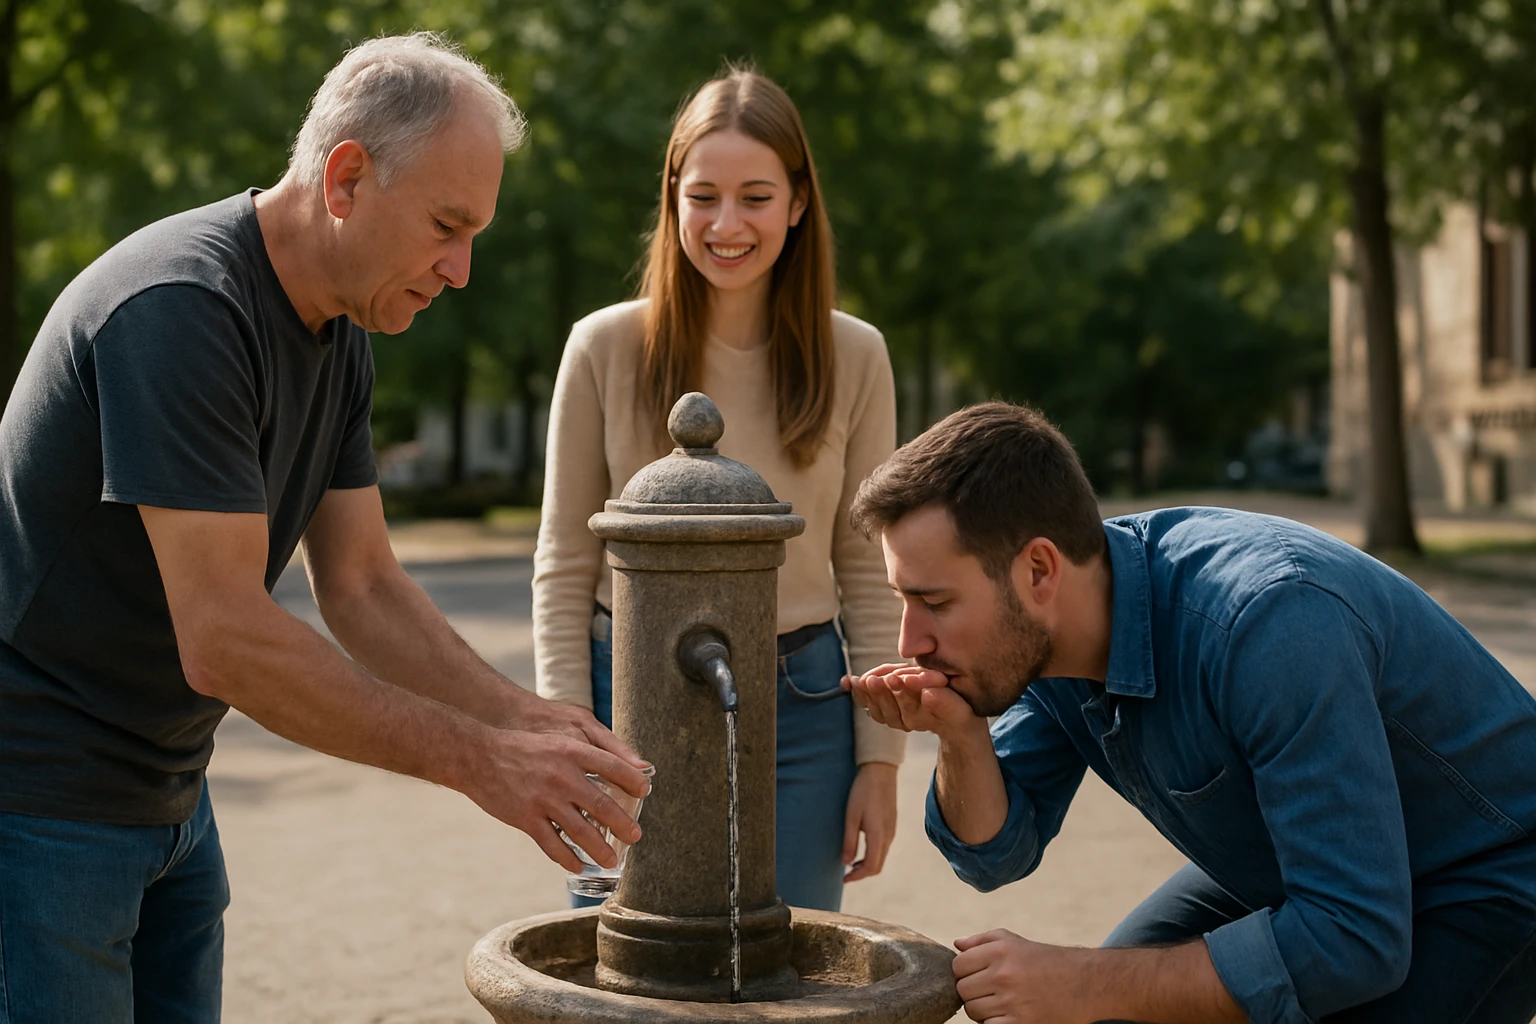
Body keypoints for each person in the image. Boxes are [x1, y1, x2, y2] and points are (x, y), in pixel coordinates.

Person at [0, 33, 649, 1024]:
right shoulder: (183, 310)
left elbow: (362, 585)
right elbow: (223, 637)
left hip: (170, 793)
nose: (462, 269)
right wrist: (478, 760)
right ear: (347, 177)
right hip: (39, 806)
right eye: (446, 224)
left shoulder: (339, 331)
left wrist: (520, 719)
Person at [843, 401, 1536, 1024]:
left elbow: (1353, 939)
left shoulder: (1266, 622)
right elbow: (997, 854)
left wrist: (1084, 984)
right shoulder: (1049, 633)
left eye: (934, 602)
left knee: (1103, 997)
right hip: (1295, 867)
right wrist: (962, 738)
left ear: (1039, 571)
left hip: (1484, 878)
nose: (911, 642)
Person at [534, 67, 906, 912]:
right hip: (628, 697)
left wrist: (879, 763)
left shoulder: (858, 357)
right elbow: (561, 568)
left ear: (799, 203)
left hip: (808, 710)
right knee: (634, 983)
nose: (726, 224)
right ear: (672, 199)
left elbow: (869, 571)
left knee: (792, 973)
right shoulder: (602, 348)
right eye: (703, 196)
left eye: (756, 196)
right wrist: (572, 744)